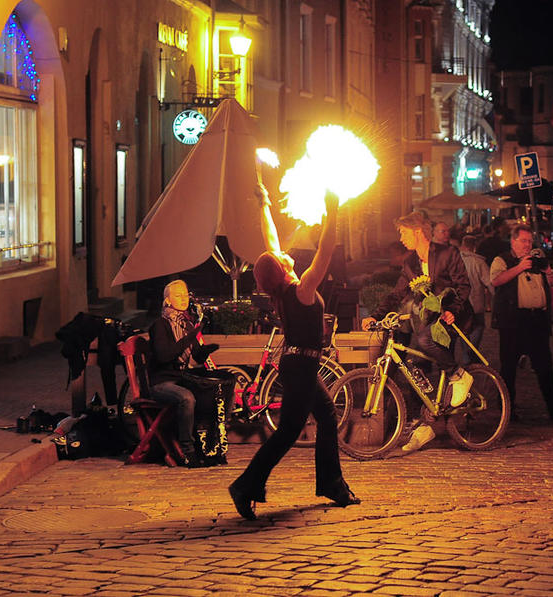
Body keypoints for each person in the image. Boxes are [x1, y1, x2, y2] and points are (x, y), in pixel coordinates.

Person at [229, 191, 359, 521]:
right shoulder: (301, 291)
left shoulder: (285, 287)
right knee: (288, 431)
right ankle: (246, 485)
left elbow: (270, 239)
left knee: (327, 416)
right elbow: (325, 251)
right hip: (300, 366)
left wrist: (264, 204)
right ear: (283, 270)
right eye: (282, 257)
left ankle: (332, 484)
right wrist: (332, 212)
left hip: (299, 364)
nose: (285, 253)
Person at [362, 211, 473, 452]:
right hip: (430, 318)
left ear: (417, 232)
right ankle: (429, 423)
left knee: (424, 338)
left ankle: (458, 374)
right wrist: (375, 315)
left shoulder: (446, 253)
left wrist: (452, 309)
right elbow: (397, 292)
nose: (401, 238)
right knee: (414, 365)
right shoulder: (411, 263)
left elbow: (463, 285)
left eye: (403, 233)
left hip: (454, 316)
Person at [491, 223, 553, 420]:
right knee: (508, 366)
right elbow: (496, 280)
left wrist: (548, 272)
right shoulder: (502, 259)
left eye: (530, 241)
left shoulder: (538, 260)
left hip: (537, 320)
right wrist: (519, 267)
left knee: (544, 364)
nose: (527, 245)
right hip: (513, 320)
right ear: (513, 241)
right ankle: (507, 409)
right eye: (523, 241)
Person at [148, 280, 217, 468]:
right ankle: (188, 451)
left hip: (182, 378)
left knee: (214, 392)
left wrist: (205, 351)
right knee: (187, 398)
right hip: (162, 383)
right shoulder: (160, 325)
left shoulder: (186, 324)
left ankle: (210, 446)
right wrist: (191, 337)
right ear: (168, 300)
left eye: (185, 294)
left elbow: (193, 357)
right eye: (178, 295)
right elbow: (164, 356)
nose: (183, 299)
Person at [458, 234, 493, 366]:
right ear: (474, 247)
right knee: (478, 326)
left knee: (463, 329)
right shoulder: (479, 262)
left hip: (460, 302)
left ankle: (467, 353)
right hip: (476, 302)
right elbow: (489, 282)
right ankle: (470, 353)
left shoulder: (456, 260)